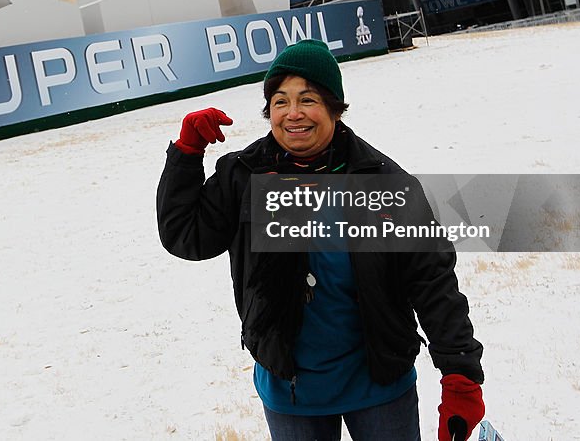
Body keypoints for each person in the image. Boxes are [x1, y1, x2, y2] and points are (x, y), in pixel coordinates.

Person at [156, 39, 484, 441]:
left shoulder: (381, 181)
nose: (293, 114)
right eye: (280, 101)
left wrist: (460, 375)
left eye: (307, 99)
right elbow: (184, 236)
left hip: (379, 388)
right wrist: (188, 152)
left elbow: (432, 281)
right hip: (291, 393)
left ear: (334, 107)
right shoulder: (243, 175)